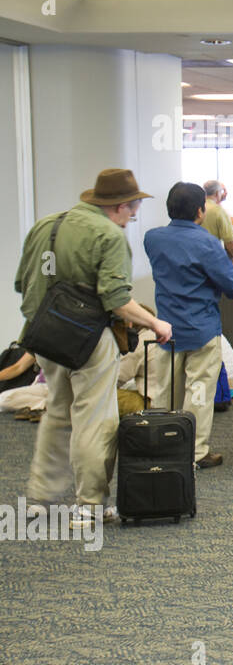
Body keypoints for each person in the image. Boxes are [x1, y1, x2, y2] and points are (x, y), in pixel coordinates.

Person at [17, 169, 173, 527]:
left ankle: (39, 499)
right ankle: (89, 505)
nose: (133, 216)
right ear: (119, 206)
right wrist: (155, 323)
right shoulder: (109, 236)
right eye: (133, 209)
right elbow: (118, 302)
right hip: (89, 339)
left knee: (57, 413)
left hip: (44, 336)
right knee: (94, 420)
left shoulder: (46, 226)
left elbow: (21, 283)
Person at [144, 182, 233, 468]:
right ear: (200, 211)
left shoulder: (153, 238)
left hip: (166, 331)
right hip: (201, 329)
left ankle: (161, 446)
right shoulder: (207, 243)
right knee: (198, 393)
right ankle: (195, 452)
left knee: (165, 392)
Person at [201, 180, 233, 263]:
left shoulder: (198, 208)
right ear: (217, 193)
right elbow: (229, 240)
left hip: (198, 254)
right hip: (214, 255)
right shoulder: (218, 211)